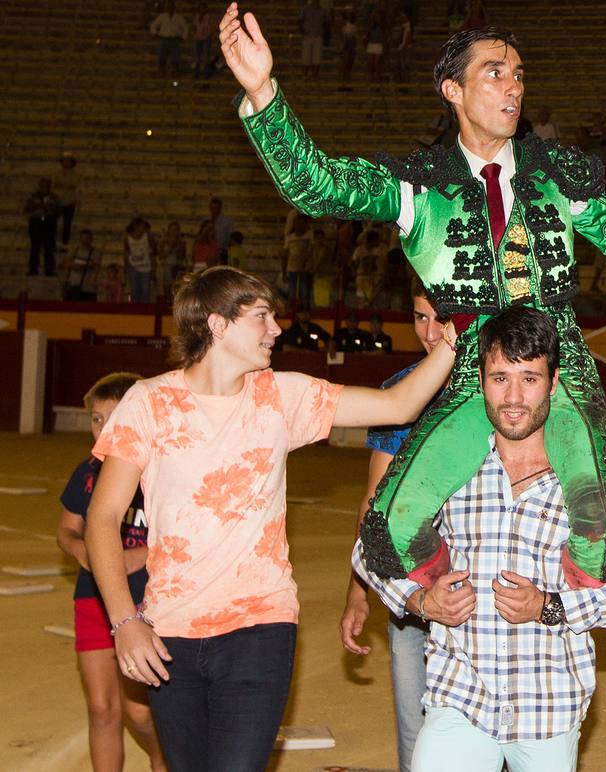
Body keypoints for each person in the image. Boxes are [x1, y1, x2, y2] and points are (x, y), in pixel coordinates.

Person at [221, 8, 606, 586]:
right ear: (453, 89)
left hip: (560, 359)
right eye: (495, 73)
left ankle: (556, 617)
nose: (513, 87)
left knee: (600, 519)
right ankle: (457, 603)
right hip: (473, 364)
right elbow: (314, 187)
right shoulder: (418, 187)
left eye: (518, 74)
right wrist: (262, 91)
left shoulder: (556, 174)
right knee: (393, 524)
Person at [85, 266, 457, 772]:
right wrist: (124, 620)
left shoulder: (281, 396)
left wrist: (454, 341)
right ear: (217, 325)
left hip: (261, 625)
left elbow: (399, 404)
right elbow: (103, 516)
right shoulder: (148, 403)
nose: (276, 329)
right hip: (168, 630)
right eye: (261, 317)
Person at [354, 305, 606, 770]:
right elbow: (369, 550)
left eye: (530, 378)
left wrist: (550, 606)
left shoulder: (585, 478)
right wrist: (419, 602)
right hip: (458, 699)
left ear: (553, 384)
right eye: (499, 378)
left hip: (548, 710)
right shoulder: (448, 469)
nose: (514, 397)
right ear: (480, 381)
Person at [56, 372, 167, 772]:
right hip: (93, 598)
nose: (103, 428)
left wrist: (142, 555)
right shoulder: (86, 474)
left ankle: (163, 758)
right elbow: (66, 529)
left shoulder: (161, 472)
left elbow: (189, 535)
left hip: (145, 601)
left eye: (113, 417)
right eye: (96, 418)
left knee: (138, 713)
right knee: (102, 708)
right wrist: (80, 547)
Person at [25, 176, 61, 276]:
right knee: (35, 246)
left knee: (49, 246)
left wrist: (47, 209)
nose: (44, 187)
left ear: (50, 186)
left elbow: (58, 210)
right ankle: (33, 268)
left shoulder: (54, 197)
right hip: (36, 222)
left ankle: (49, 269)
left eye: (47, 185)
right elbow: (27, 209)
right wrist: (37, 209)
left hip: (49, 223)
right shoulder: (32, 196)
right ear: (39, 185)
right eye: (42, 185)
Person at [149, 0, 188, 78]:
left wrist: (183, 37)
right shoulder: (162, 16)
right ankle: (161, 73)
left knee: (175, 57)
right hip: (164, 39)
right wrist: (156, 34)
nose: (170, 8)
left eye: (171, 6)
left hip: (174, 39)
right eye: (168, 6)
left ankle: (174, 73)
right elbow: (153, 26)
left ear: (174, 7)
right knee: (162, 57)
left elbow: (185, 27)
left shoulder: (178, 17)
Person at [64, 229, 102, 301]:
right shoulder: (75, 250)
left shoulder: (96, 252)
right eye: (83, 238)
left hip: (89, 288)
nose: (85, 240)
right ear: (80, 239)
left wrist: (80, 266)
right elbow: (64, 263)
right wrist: (72, 265)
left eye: (87, 238)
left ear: (91, 239)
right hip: (74, 285)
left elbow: (95, 264)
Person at [123, 218, 155, 304]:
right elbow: (126, 251)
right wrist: (126, 265)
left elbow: (153, 250)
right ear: (135, 226)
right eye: (141, 226)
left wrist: (153, 267)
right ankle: (136, 310)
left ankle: (145, 311)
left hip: (146, 266)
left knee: (145, 291)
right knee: (135, 290)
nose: (143, 228)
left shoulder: (147, 235)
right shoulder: (127, 237)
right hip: (133, 266)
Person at [57, 153, 80, 245]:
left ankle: (64, 243)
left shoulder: (76, 175)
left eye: (68, 161)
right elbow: (55, 184)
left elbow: (74, 184)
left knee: (67, 224)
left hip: (69, 202)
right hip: (58, 202)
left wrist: (63, 184)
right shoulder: (56, 174)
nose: (66, 163)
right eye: (64, 161)